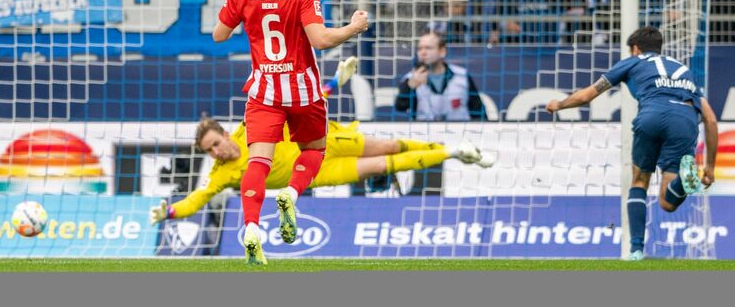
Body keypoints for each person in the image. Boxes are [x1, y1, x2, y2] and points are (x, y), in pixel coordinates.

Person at [212, 0, 369, 265]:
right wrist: (354, 27)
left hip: (265, 91)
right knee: (314, 151)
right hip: (302, 91)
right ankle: (291, 193)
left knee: (258, 162)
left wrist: (242, 11)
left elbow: (219, 35)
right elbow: (321, 40)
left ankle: (251, 228)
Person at [545, 27, 718, 261]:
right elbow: (710, 119)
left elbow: (588, 94)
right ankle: (683, 181)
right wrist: (709, 167)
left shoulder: (632, 62)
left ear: (635, 48)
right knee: (668, 202)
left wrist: (560, 104)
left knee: (639, 180)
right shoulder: (683, 70)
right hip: (684, 120)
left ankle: (636, 250)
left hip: (652, 115)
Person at [149, 118, 494, 225]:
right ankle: (454, 153)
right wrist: (171, 211)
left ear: (225, 134)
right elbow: (196, 198)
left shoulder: (249, 126)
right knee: (380, 166)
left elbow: (291, 108)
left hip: (325, 141)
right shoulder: (222, 174)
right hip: (317, 172)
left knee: (388, 147)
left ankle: (449, 148)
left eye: (215, 143)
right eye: (209, 150)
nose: (215, 152)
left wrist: (329, 87)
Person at [394, 31, 485, 121]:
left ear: (442, 51)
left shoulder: (462, 75)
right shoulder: (410, 78)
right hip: (424, 134)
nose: (423, 52)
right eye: (420, 48)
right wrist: (410, 86)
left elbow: (478, 111)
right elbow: (400, 107)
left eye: (428, 48)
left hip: (460, 133)